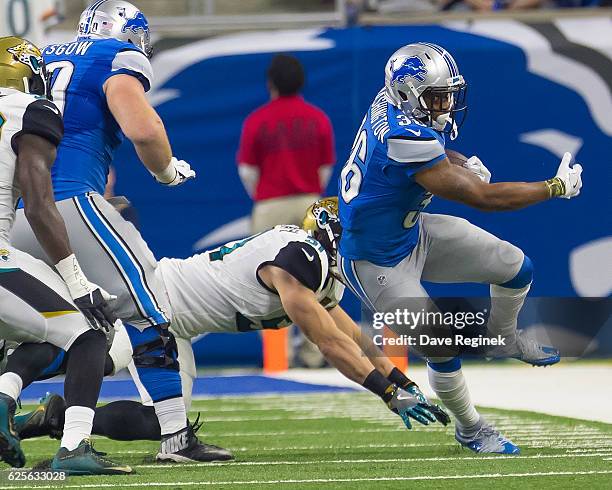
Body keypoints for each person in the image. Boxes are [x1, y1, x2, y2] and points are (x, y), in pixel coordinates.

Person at [14, 199, 450, 443]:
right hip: (157, 307)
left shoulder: (320, 275)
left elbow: (355, 338)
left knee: (161, 428)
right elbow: (331, 345)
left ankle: (55, 420)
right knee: (88, 356)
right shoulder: (302, 258)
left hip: (178, 323)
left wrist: (401, 382)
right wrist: (385, 393)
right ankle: (11, 381)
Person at [337, 42, 583, 454]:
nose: (446, 104)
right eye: (437, 96)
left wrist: (460, 162)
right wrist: (553, 188)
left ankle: (503, 336)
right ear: (407, 94)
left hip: (411, 232)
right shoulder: (403, 133)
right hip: (375, 261)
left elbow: (430, 147)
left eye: (449, 94)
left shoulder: (391, 104)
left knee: (515, 265)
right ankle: (471, 428)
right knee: (441, 345)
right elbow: (484, 199)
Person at [8, 1, 220, 464]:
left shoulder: (41, 53)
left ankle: (45, 424)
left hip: (20, 216)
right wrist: (166, 171)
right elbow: (144, 129)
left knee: (66, 331)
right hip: (70, 206)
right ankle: (176, 439)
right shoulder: (115, 55)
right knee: (151, 313)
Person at [0, 36, 129, 475]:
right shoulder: (29, 111)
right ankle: (74, 445)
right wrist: (78, 279)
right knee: (89, 328)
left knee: (39, 331)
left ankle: (5, 404)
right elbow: (37, 204)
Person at [237, 54, 336, 234]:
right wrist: (309, 189)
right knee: (315, 261)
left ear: (270, 82)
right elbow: (326, 167)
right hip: (309, 205)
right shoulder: (319, 118)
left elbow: (247, 171)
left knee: (265, 261)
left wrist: (265, 195)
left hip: (270, 207)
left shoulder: (256, 120)